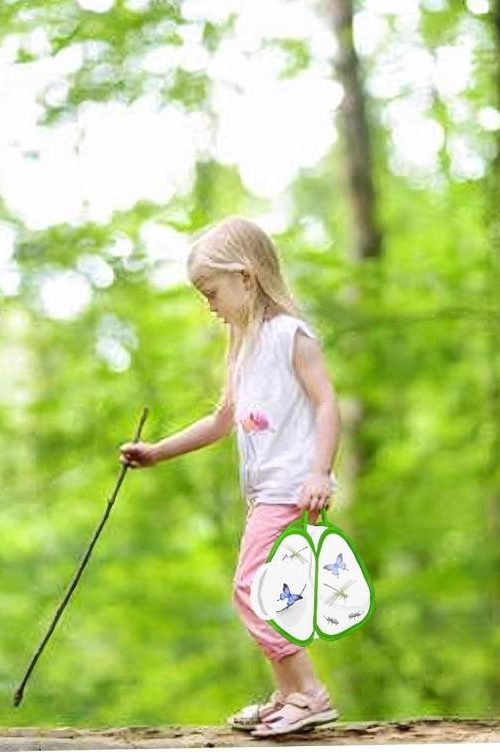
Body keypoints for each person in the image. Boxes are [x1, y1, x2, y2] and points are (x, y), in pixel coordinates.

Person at [119, 216, 341, 737]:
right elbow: (222, 419)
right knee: (269, 588)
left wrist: (321, 472)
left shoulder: (291, 335)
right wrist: (157, 452)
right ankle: (289, 692)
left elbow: (328, 403)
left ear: (246, 277)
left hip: (291, 488)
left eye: (210, 291)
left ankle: (309, 693)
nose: (208, 304)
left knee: (250, 588)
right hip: (265, 493)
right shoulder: (242, 347)